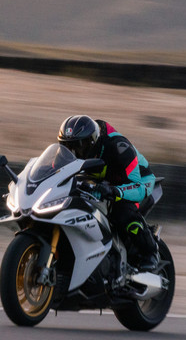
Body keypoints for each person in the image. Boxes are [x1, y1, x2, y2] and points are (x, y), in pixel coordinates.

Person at [57, 114, 160, 272]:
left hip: (137, 181)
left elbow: (137, 186)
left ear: (92, 142)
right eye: (67, 147)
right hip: (102, 182)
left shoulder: (119, 147)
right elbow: (55, 172)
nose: (74, 152)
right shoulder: (65, 155)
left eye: (78, 146)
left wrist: (115, 191)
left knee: (122, 212)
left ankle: (150, 252)